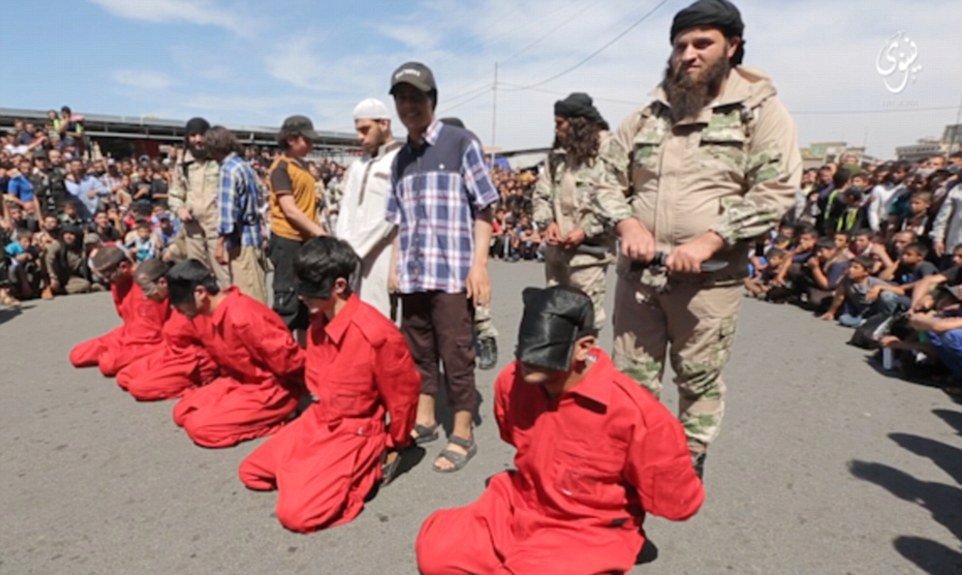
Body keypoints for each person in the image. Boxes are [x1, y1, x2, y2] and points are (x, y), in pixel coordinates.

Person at [593, 0, 801, 476]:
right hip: (640, 281)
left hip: (708, 284)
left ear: (732, 46)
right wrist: (627, 224)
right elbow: (604, 179)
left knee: (698, 379)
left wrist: (711, 239)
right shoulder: (647, 116)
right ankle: (632, 466)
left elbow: (776, 190)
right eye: (680, 45)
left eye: (702, 43)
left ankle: (686, 465)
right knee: (631, 380)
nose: (688, 54)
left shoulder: (760, 113)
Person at [415, 286, 704, 574]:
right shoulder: (512, 381)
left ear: (584, 347)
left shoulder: (637, 415)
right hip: (524, 500)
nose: (525, 367)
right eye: (522, 355)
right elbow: (512, 434)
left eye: (539, 357)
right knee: (437, 553)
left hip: (588, 526)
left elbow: (679, 504)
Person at [238, 237, 420, 533]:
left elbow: (404, 397)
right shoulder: (319, 320)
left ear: (338, 286)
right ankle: (311, 475)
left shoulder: (377, 335)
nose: (301, 297)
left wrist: (394, 442)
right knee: (252, 472)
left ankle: (362, 473)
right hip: (320, 419)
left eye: (309, 290)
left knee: (296, 516)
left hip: (356, 430)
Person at [386, 61, 501, 472]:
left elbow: (485, 207)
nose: (408, 105)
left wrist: (480, 265)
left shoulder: (459, 142)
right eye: (401, 98)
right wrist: (395, 267)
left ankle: (463, 430)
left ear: (432, 99)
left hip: (453, 273)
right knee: (418, 351)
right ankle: (426, 416)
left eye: (416, 96)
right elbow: (398, 220)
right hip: (415, 275)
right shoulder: (400, 159)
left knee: (456, 352)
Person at [167, 259, 304, 448]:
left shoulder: (243, 316)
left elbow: (290, 361)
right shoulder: (213, 312)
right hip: (239, 382)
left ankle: (281, 419)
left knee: (200, 428)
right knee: (182, 412)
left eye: (179, 303)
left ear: (200, 293)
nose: (178, 311)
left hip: (271, 390)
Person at [533, 92, 615, 331]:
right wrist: (548, 223)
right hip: (557, 253)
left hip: (589, 255)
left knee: (585, 322)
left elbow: (616, 199)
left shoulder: (608, 151)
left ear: (578, 123)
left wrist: (586, 230)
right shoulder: (557, 156)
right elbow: (541, 193)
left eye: (560, 124)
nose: (556, 130)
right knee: (557, 319)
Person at [335, 99, 401, 320]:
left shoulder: (399, 160)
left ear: (384, 124)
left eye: (365, 130)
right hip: (351, 255)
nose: (360, 137)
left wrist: (358, 247)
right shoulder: (358, 165)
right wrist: (343, 244)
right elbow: (346, 206)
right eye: (357, 130)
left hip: (381, 252)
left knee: (380, 318)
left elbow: (391, 215)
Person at [115, 260, 218, 402]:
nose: (145, 296)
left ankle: (195, 388)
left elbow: (211, 340)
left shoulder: (189, 301)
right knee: (124, 376)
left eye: (146, 289)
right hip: (171, 352)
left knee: (139, 387)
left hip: (192, 362)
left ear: (162, 283)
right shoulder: (168, 300)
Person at [68, 246, 168, 376]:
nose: (106, 280)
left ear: (123, 267)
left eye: (107, 275)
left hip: (154, 341)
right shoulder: (117, 284)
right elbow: (123, 314)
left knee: (108, 364)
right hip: (128, 333)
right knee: (78, 355)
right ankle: (124, 353)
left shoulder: (149, 281)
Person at [267, 115, 326, 334]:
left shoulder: (302, 166)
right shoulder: (281, 168)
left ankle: (303, 355)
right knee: (287, 300)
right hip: (288, 240)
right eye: (306, 140)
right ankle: (279, 355)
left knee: (305, 303)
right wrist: (320, 232)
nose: (311, 145)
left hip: (305, 238)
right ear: (291, 139)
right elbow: (290, 209)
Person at [206, 126, 268, 304]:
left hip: (242, 241)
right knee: (257, 290)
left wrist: (219, 244)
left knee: (249, 300)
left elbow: (228, 213)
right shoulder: (243, 165)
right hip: (253, 236)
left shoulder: (228, 169)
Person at [168, 117, 230, 287]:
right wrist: (180, 209)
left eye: (201, 135)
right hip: (193, 229)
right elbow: (175, 193)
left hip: (217, 229)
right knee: (198, 277)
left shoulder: (220, 160)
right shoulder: (183, 163)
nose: (198, 140)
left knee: (225, 276)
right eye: (193, 135)